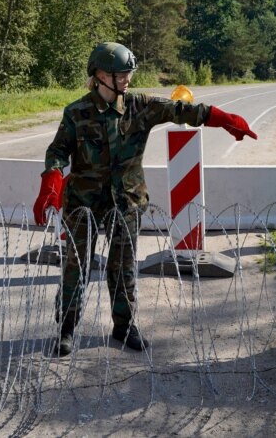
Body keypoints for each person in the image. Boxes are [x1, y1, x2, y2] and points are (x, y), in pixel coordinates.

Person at [34, 42, 258, 356]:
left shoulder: (140, 106)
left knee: (123, 265)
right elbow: (57, 152)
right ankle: (66, 328)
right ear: (99, 75)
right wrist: (51, 183)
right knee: (76, 264)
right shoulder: (76, 113)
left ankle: (124, 327)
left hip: (126, 200)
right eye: (121, 73)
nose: (127, 78)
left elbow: (180, 109)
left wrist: (221, 118)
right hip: (84, 203)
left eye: (128, 73)